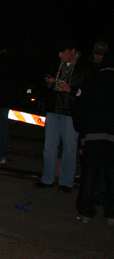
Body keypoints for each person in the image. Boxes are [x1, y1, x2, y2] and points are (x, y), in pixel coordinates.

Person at [34, 39, 90, 193]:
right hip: (53, 109)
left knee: (69, 148)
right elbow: (45, 82)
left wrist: (70, 89)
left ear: (73, 51)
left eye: (63, 52)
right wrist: (50, 83)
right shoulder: (56, 64)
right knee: (49, 147)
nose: (60, 55)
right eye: (59, 53)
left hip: (71, 111)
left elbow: (87, 91)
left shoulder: (84, 67)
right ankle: (47, 179)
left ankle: (66, 182)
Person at [72, 52, 114, 224]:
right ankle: (111, 213)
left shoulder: (91, 81)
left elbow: (79, 109)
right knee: (112, 177)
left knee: (89, 175)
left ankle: (86, 211)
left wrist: (82, 135)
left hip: (92, 136)